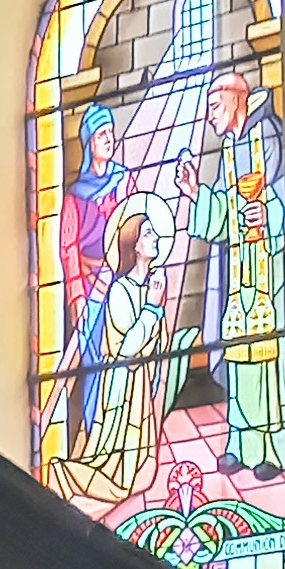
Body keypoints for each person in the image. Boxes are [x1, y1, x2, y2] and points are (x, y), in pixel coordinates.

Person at [182, 73, 285, 476]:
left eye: (214, 106)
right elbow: (225, 216)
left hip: (271, 271)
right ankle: (242, 443)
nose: (209, 116)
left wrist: (271, 211)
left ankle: (275, 448)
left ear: (236, 99)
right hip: (239, 273)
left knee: (270, 361)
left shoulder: (272, 134)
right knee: (240, 356)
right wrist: (197, 194)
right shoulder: (230, 149)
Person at [49, 205, 189, 517]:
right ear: (133, 246)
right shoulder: (120, 291)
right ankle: (67, 479)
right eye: (148, 234)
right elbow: (126, 349)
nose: (156, 238)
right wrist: (152, 309)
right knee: (117, 471)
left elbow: (158, 344)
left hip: (140, 386)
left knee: (139, 470)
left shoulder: (150, 287)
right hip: (121, 386)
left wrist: (157, 308)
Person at [54, 100, 121, 450]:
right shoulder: (75, 197)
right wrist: (77, 297)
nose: (109, 139)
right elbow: (68, 248)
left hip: (121, 283)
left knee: (123, 355)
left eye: (111, 132)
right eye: (101, 134)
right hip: (92, 288)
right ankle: (95, 433)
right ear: (89, 143)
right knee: (94, 358)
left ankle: (121, 430)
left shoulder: (124, 181)